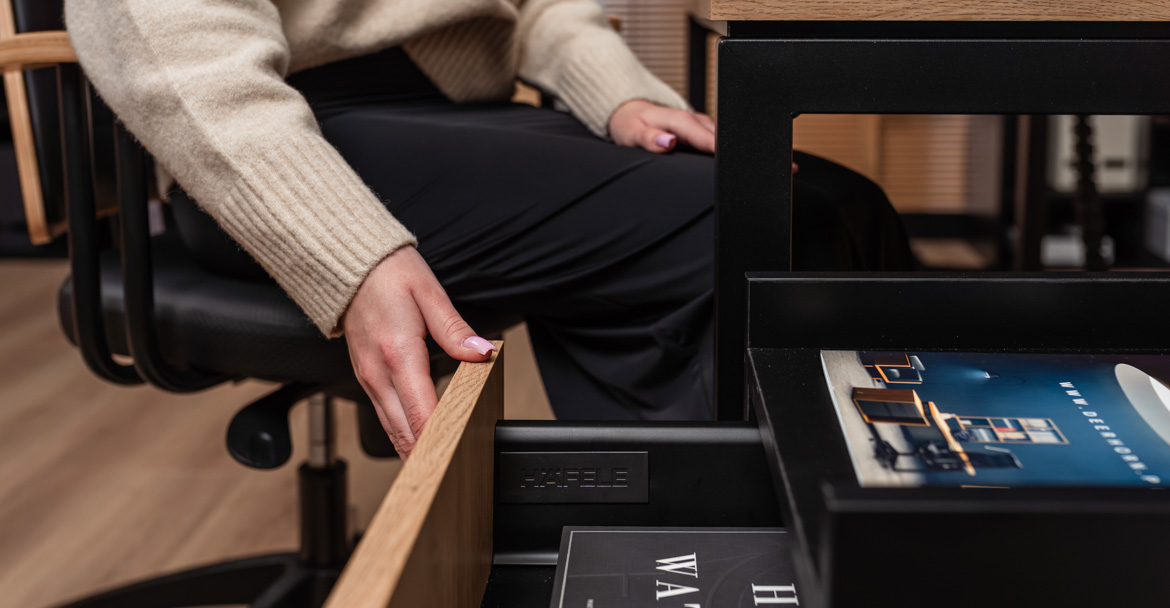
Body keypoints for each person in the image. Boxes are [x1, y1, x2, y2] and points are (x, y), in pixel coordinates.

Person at [66, 0, 913, 456]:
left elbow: (541, 10)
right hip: (276, 142)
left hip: (456, 116)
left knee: (834, 200)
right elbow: (181, 62)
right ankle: (718, 585)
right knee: (748, 228)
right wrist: (348, 253)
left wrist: (621, 94)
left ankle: (905, 540)